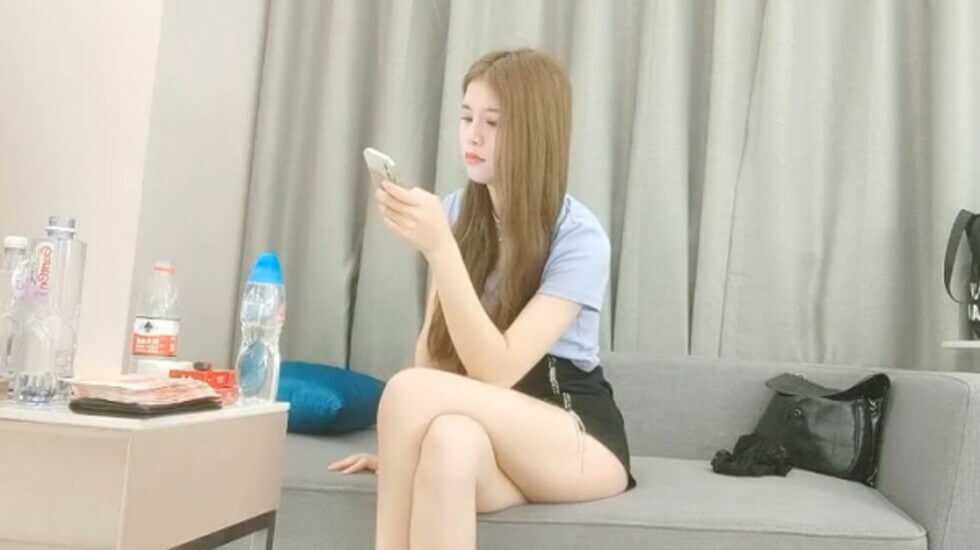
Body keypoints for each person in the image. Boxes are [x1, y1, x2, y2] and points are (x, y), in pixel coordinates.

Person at [328, 48, 636, 550]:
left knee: (407, 391)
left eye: (493, 122)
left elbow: (497, 371)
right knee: (446, 441)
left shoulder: (579, 237)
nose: (473, 135)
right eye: (466, 117)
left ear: (534, 133)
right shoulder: (455, 212)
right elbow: (436, 354)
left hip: (573, 436)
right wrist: (404, 443)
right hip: (488, 428)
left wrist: (439, 248)